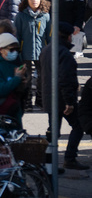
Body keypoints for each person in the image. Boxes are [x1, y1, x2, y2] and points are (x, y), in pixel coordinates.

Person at [38, 22, 86, 170]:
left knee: (53, 132)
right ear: (69, 37)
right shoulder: (64, 54)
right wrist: (70, 102)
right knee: (78, 126)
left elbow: (41, 76)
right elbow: (66, 79)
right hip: (61, 99)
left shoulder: (47, 50)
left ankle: (49, 163)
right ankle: (69, 158)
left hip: (50, 97)